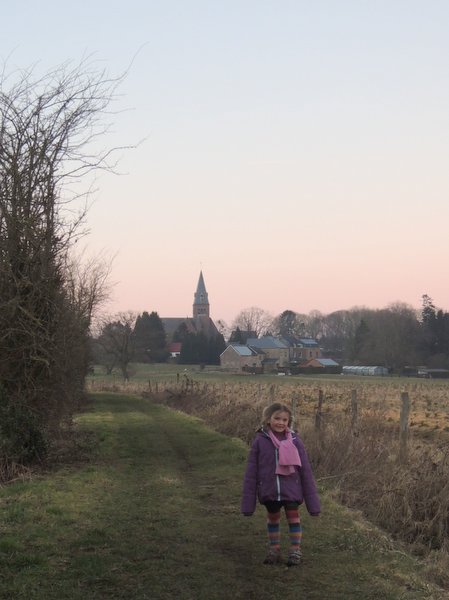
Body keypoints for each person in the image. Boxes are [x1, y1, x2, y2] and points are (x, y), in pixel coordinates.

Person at [241, 402, 320, 566]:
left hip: (292, 489)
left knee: (293, 518)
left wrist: (314, 505)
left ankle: (295, 550)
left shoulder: (296, 441)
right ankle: (274, 549)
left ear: (289, 422)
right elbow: (251, 472)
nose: (281, 423)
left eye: (285, 420)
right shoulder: (260, 441)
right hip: (269, 490)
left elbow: (305, 472)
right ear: (268, 419)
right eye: (277, 418)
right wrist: (248, 505)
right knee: (273, 519)